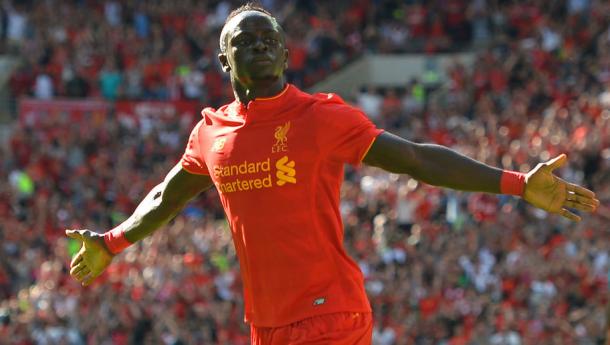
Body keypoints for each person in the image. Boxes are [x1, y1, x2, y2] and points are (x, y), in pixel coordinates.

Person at [65, 3, 599, 344]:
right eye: (247, 42)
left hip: (331, 314)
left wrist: (516, 184)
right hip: (266, 324)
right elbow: (167, 195)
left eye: (270, 39)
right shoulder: (210, 134)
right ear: (225, 63)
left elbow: (415, 159)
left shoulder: (321, 117)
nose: (262, 47)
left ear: (287, 54)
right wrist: (111, 242)